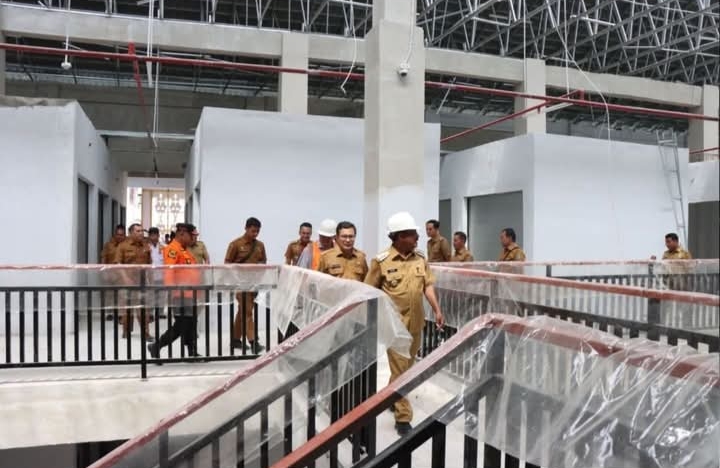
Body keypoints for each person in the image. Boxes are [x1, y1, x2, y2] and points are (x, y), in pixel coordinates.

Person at [365, 212, 444, 436]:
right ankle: (403, 418)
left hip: (416, 323)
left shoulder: (420, 259)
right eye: (412, 234)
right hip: (395, 325)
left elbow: (427, 285)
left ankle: (392, 396)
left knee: (406, 369)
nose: (418, 237)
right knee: (401, 372)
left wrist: (437, 309)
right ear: (399, 236)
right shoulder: (381, 262)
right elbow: (369, 291)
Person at [148, 223, 202, 360]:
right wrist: (171, 289)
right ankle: (156, 346)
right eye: (192, 235)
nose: (194, 239)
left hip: (189, 293)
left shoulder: (184, 250)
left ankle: (192, 352)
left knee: (191, 324)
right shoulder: (172, 249)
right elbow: (169, 270)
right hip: (180, 294)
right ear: (182, 233)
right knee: (181, 325)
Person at [224, 217, 267, 353]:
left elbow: (263, 262)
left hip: (254, 284)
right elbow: (227, 264)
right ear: (246, 228)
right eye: (253, 231)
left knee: (242, 311)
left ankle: (235, 340)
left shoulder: (260, 245)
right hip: (240, 285)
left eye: (257, 231)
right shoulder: (235, 244)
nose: (255, 234)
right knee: (248, 312)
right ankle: (253, 342)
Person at [113, 223, 154, 341]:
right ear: (131, 233)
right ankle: (126, 331)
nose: (141, 233)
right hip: (126, 282)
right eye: (138, 231)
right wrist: (125, 278)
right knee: (127, 309)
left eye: (142, 231)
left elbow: (149, 265)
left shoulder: (146, 246)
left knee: (143, 309)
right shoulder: (123, 246)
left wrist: (150, 280)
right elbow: (118, 264)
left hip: (141, 282)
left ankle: (146, 333)